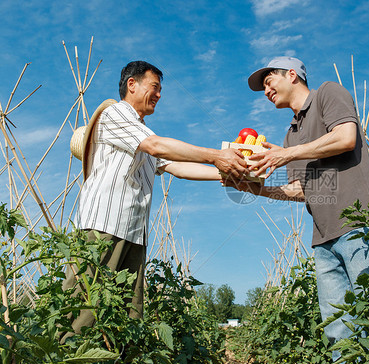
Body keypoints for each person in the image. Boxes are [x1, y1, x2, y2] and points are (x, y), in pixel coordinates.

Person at [63, 60, 247, 340]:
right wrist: (216, 155)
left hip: (133, 233)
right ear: (132, 84)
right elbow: (157, 146)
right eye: (155, 87)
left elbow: (177, 167)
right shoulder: (116, 114)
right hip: (102, 228)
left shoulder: (140, 130)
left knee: (124, 321)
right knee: (82, 314)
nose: (159, 95)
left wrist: (226, 176)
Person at [239, 56, 369, 364]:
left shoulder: (328, 92)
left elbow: (345, 138)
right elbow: (304, 189)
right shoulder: (290, 135)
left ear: (292, 75)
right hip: (324, 240)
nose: (266, 88)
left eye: (269, 79)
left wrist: (287, 154)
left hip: (361, 225)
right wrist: (258, 189)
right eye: (263, 86)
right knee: (339, 332)